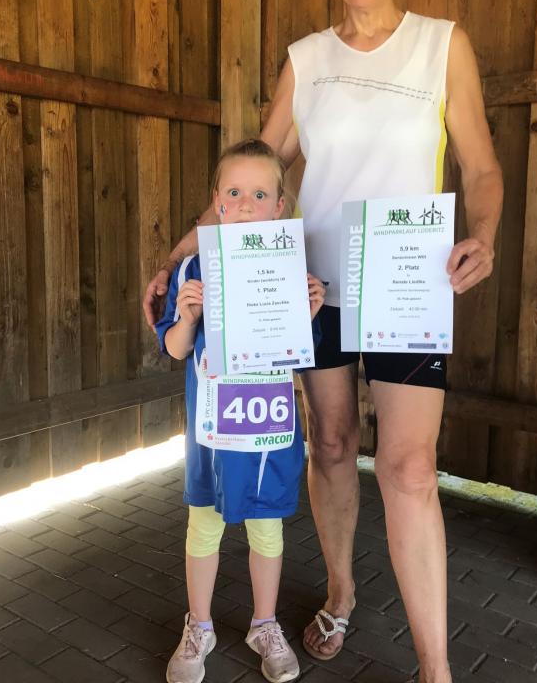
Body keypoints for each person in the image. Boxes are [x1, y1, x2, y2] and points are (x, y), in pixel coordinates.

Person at [146, 0, 503, 681]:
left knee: (409, 468)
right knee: (332, 445)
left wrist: (481, 234)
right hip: (310, 286)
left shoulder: (441, 45)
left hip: (405, 288)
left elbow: (480, 166)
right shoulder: (306, 60)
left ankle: (435, 667)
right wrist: (179, 257)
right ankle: (340, 593)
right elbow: (251, 178)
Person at [156, 139, 326, 683]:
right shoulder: (194, 268)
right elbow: (174, 349)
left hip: (268, 429)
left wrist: (308, 313)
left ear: (280, 206)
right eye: (233, 192)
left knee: (266, 527)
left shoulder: (290, 269)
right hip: (213, 431)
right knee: (203, 525)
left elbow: (301, 355)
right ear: (216, 202)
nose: (246, 204)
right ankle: (199, 626)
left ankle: (264, 624)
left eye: (259, 193)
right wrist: (187, 318)